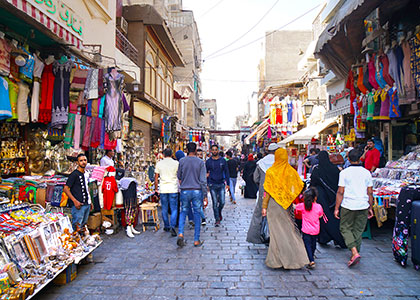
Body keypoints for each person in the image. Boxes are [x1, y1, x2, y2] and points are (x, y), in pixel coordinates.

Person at [261, 148, 309, 269]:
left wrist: (264, 207)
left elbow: (267, 192)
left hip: (273, 205)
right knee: (288, 230)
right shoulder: (290, 171)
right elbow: (300, 185)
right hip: (286, 205)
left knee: (276, 232)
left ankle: (276, 260)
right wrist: (289, 196)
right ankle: (293, 258)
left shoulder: (271, 172)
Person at [334, 149, 374, 267]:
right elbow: (370, 192)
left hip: (348, 204)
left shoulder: (344, 173)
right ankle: (355, 252)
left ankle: (354, 251)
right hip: (363, 204)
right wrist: (370, 207)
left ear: (349, 159)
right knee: (358, 229)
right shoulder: (367, 173)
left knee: (345, 228)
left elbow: (340, 192)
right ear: (360, 158)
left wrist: (336, 207)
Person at [310, 151, 346, 248]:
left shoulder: (317, 170)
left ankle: (329, 237)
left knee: (325, 218)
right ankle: (332, 238)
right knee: (335, 218)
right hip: (335, 197)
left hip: (322, 198)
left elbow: (312, 183)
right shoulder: (335, 169)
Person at [247, 142, 278, 244]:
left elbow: (255, 178)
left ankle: (256, 237)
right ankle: (275, 237)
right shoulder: (279, 162)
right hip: (277, 191)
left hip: (263, 192)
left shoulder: (261, 163)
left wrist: (261, 184)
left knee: (260, 213)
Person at [177, 142, 207, 247]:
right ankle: (196, 240)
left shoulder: (181, 161)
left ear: (186, 150)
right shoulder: (200, 162)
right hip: (197, 190)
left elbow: (179, 176)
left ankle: (180, 233)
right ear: (195, 150)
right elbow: (203, 180)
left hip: (185, 190)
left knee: (183, 212)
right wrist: (205, 195)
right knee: (197, 214)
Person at [295, 187, 324, 269]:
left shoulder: (303, 206)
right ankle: (312, 256)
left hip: (306, 230)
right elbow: (321, 215)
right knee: (313, 244)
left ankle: (311, 260)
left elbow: (295, 207)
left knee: (307, 244)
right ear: (315, 198)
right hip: (315, 230)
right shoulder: (318, 206)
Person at [154, 148, 179, 237]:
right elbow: (179, 176)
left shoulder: (159, 164)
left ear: (163, 155)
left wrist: (156, 189)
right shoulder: (176, 163)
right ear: (172, 154)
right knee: (174, 209)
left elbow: (156, 178)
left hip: (163, 189)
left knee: (164, 208)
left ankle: (166, 226)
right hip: (173, 188)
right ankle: (173, 225)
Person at [64, 154, 92, 231]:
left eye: (85, 160)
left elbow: (87, 188)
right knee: (77, 225)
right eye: (81, 160)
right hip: (78, 205)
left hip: (86, 203)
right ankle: (76, 241)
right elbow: (66, 188)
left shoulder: (86, 173)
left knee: (83, 225)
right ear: (77, 162)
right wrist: (75, 201)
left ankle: (82, 241)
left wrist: (90, 201)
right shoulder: (74, 174)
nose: (83, 162)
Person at [206, 144, 229, 227]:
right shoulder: (208, 161)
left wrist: (228, 184)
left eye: (216, 150)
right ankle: (217, 219)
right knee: (215, 203)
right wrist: (207, 183)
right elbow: (206, 172)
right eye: (213, 150)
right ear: (211, 151)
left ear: (218, 150)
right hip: (212, 184)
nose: (214, 151)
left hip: (221, 184)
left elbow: (226, 172)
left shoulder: (223, 161)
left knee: (222, 202)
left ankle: (219, 212)